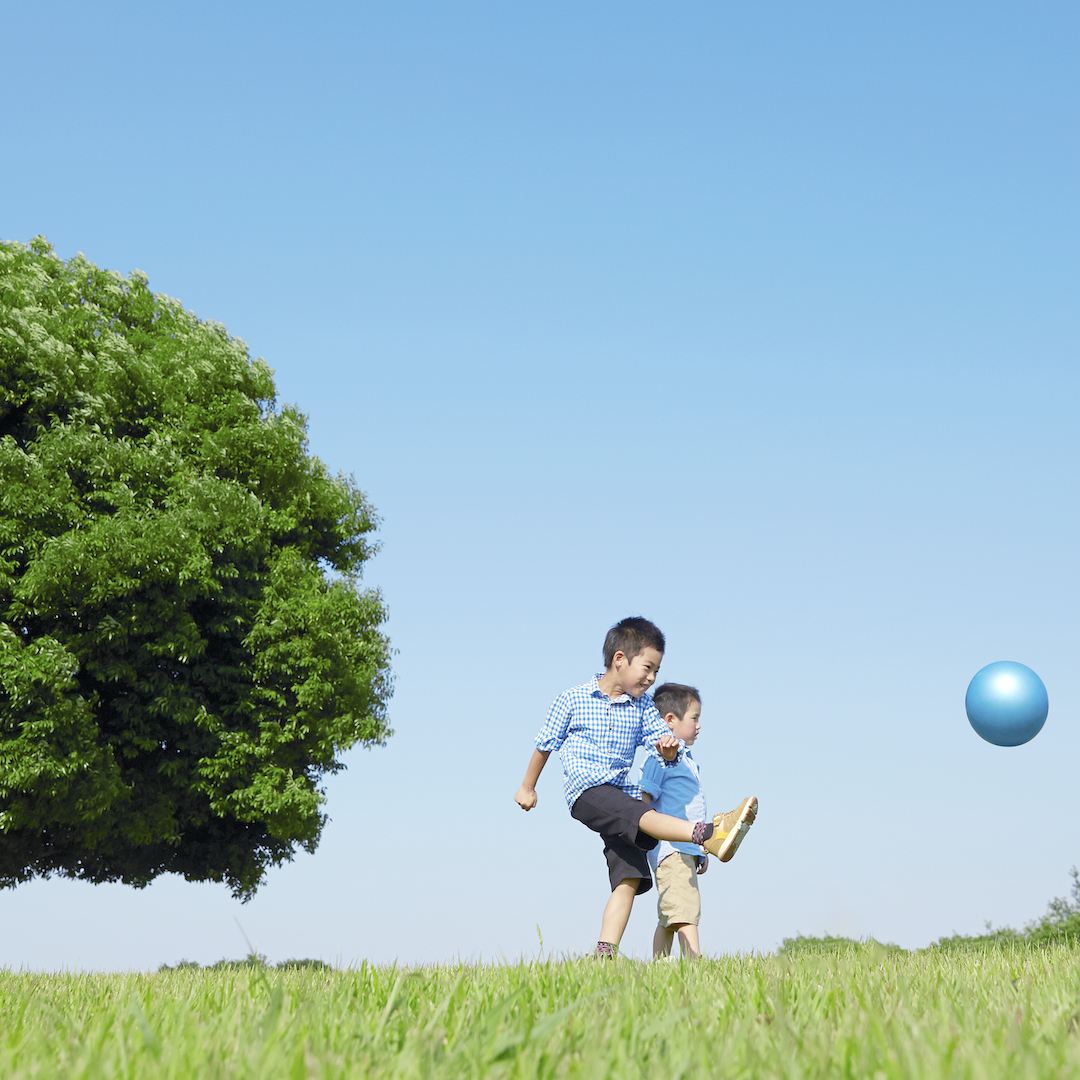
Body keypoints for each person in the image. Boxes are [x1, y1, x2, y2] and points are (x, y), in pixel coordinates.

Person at [514, 616, 749, 958]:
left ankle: (604, 953)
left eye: (657, 670)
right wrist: (527, 787)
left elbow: (662, 742)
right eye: (648, 667)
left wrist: (668, 751)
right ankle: (707, 833)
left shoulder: (642, 708)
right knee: (641, 812)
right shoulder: (572, 699)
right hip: (588, 793)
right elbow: (545, 744)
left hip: (620, 798)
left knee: (630, 875)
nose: (652, 678)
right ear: (620, 659)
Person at [640, 683, 757, 960]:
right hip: (670, 848)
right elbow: (644, 800)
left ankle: (659, 965)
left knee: (671, 914)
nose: (699, 725)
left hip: (686, 848)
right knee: (686, 912)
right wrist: (643, 837)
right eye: (694, 718)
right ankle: (695, 964)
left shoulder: (687, 759)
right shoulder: (658, 757)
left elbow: (689, 812)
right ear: (670, 720)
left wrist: (699, 853)